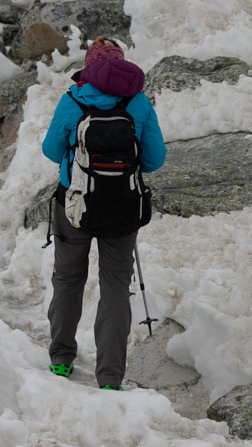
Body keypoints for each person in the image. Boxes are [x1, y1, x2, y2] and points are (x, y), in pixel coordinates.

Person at [42, 36, 166, 389]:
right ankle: (110, 377)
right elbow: (155, 160)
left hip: (75, 205)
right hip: (123, 209)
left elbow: (52, 151)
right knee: (115, 287)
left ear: (90, 65)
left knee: (68, 279)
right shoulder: (138, 103)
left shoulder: (73, 99)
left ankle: (61, 358)